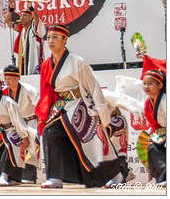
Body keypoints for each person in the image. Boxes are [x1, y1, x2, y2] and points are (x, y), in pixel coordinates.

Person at [35, 24, 123, 188]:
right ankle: (55, 177)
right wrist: (45, 112)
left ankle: (117, 174)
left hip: (81, 105)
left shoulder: (77, 62)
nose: (51, 41)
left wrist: (103, 116)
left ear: (65, 39)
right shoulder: (47, 64)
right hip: (61, 106)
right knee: (50, 132)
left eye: (55, 37)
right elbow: (47, 91)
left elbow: (93, 87)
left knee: (93, 142)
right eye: (48, 37)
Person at [0, 75, 31, 186]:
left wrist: (24, 136)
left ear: (0, 87)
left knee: (9, 148)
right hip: (1, 133)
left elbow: (17, 120)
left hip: (14, 131)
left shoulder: (8, 101)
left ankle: (5, 176)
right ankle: (8, 177)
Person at [2, 64, 39, 184]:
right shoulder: (4, 92)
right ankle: (14, 177)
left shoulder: (29, 89)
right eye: (6, 79)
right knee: (14, 148)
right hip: (15, 124)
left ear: (18, 78)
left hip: (31, 120)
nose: (7, 81)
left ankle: (29, 177)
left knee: (30, 148)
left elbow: (38, 105)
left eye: (10, 79)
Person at [6, 0, 46, 75]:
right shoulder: (22, 29)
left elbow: (37, 19)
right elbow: (8, 22)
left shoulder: (34, 28)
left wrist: (31, 8)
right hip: (23, 60)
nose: (22, 17)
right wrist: (11, 9)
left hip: (35, 60)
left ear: (31, 17)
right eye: (21, 15)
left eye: (24, 15)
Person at [142, 69, 166, 185]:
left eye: (150, 84)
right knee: (152, 146)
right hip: (164, 131)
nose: (146, 86)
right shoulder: (148, 103)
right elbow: (155, 126)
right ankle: (163, 177)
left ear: (160, 85)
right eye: (144, 83)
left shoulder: (166, 100)